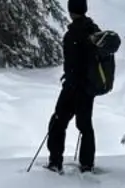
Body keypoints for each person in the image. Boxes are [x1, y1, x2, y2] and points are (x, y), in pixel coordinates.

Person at [46, 0, 101, 172]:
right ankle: (87, 164)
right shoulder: (95, 31)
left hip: (73, 87)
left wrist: (70, 80)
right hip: (89, 88)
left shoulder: (72, 35)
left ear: (71, 11)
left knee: (58, 122)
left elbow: (71, 64)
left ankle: (55, 162)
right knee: (85, 126)